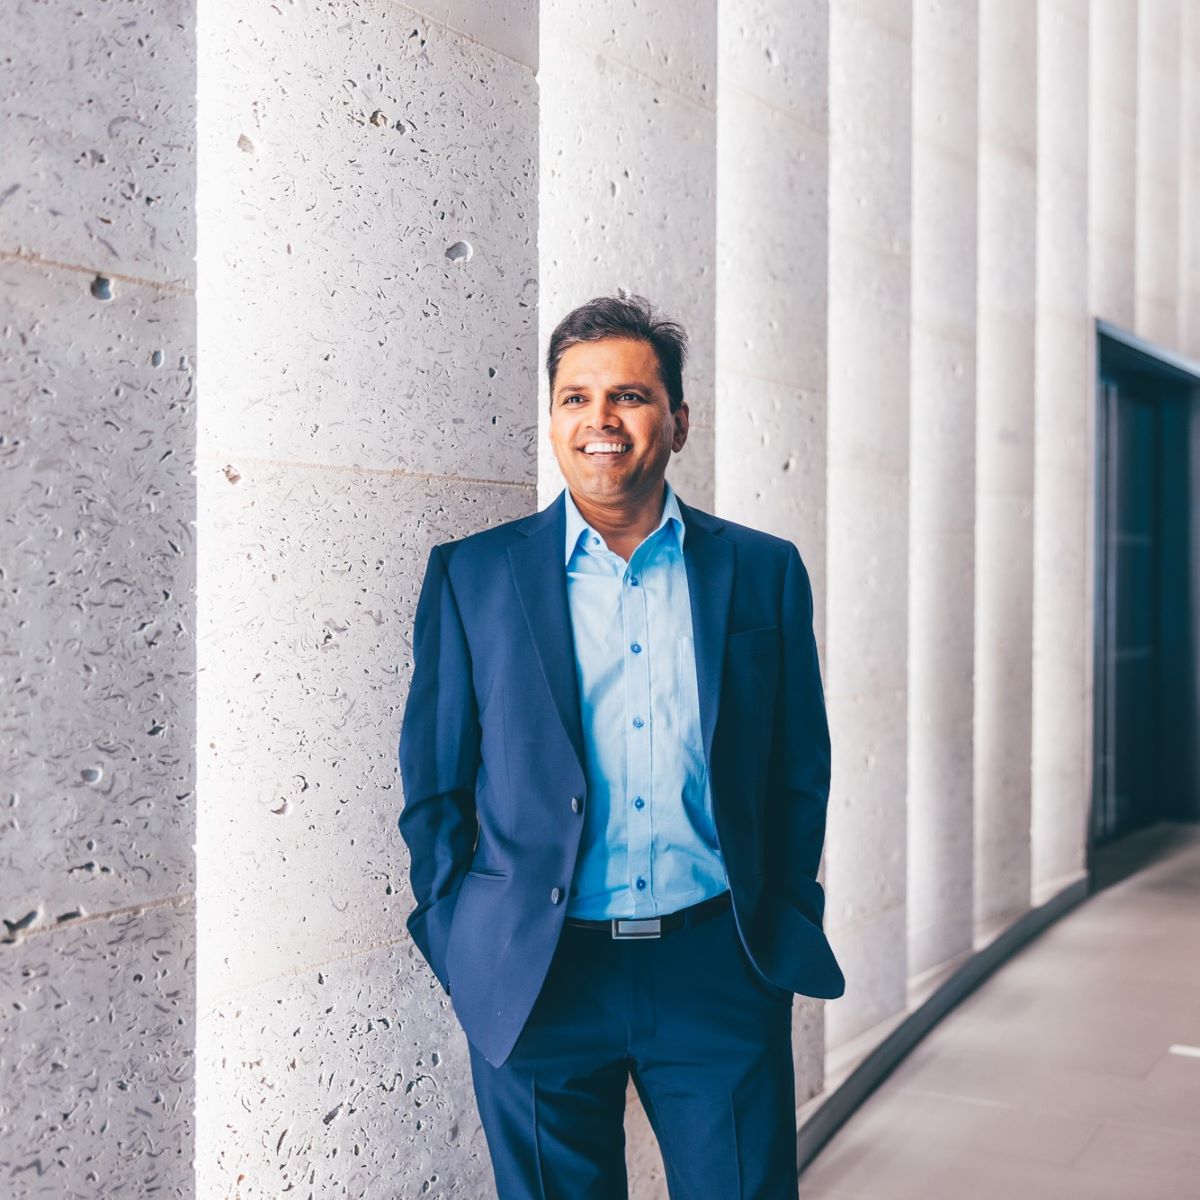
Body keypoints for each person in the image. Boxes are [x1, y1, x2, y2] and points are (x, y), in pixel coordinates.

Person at [397, 293, 844, 1199]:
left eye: (629, 397)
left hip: (717, 966)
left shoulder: (762, 570)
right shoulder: (474, 575)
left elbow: (798, 771)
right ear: (553, 420)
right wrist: (459, 936)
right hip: (536, 974)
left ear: (678, 421)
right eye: (576, 398)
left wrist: (782, 919)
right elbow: (433, 785)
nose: (599, 419)